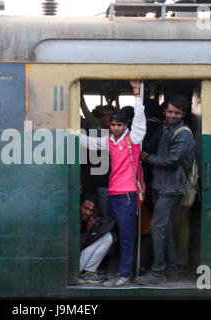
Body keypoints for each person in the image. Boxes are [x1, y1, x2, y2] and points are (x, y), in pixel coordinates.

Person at [80, 80, 146, 287]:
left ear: (126, 125)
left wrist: (136, 94)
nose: (115, 128)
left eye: (119, 125)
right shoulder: (110, 140)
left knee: (126, 236)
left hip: (127, 195)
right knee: (109, 233)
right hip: (113, 193)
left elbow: (140, 120)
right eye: (113, 125)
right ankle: (114, 268)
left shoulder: (134, 138)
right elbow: (87, 142)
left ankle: (124, 274)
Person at [135, 95, 196, 286]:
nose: (172, 115)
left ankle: (157, 273)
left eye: (177, 113)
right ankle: (172, 270)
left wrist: (146, 157)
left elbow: (171, 161)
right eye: (170, 111)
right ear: (165, 111)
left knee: (157, 227)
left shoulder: (183, 134)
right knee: (166, 228)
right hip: (161, 185)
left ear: (183, 114)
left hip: (171, 187)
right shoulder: (165, 127)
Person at [79, 192, 115, 284]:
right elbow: (78, 246)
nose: (87, 213)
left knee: (109, 236)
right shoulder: (73, 218)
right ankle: (85, 273)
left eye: (91, 210)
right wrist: (88, 230)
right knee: (107, 237)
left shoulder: (87, 219)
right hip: (71, 265)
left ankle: (88, 272)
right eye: (85, 208)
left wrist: (90, 229)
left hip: (78, 262)